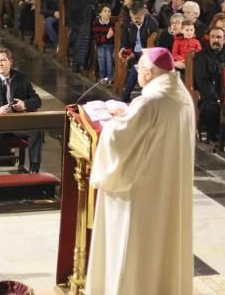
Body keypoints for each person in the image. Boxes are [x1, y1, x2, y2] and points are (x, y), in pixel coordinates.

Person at [86, 47, 195, 295]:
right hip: (168, 186)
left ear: (148, 71)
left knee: (133, 246)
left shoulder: (149, 101)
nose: (136, 72)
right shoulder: (180, 94)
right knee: (164, 246)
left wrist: (113, 121)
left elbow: (119, 139)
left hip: (141, 192)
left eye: (138, 69)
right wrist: (128, 114)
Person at [0, 49, 43, 175]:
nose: (0, 64)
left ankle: (34, 170)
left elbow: (37, 100)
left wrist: (24, 104)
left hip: (17, 122)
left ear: (10, 62)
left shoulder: (21, 78)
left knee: (36, 131)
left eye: (3, 60)